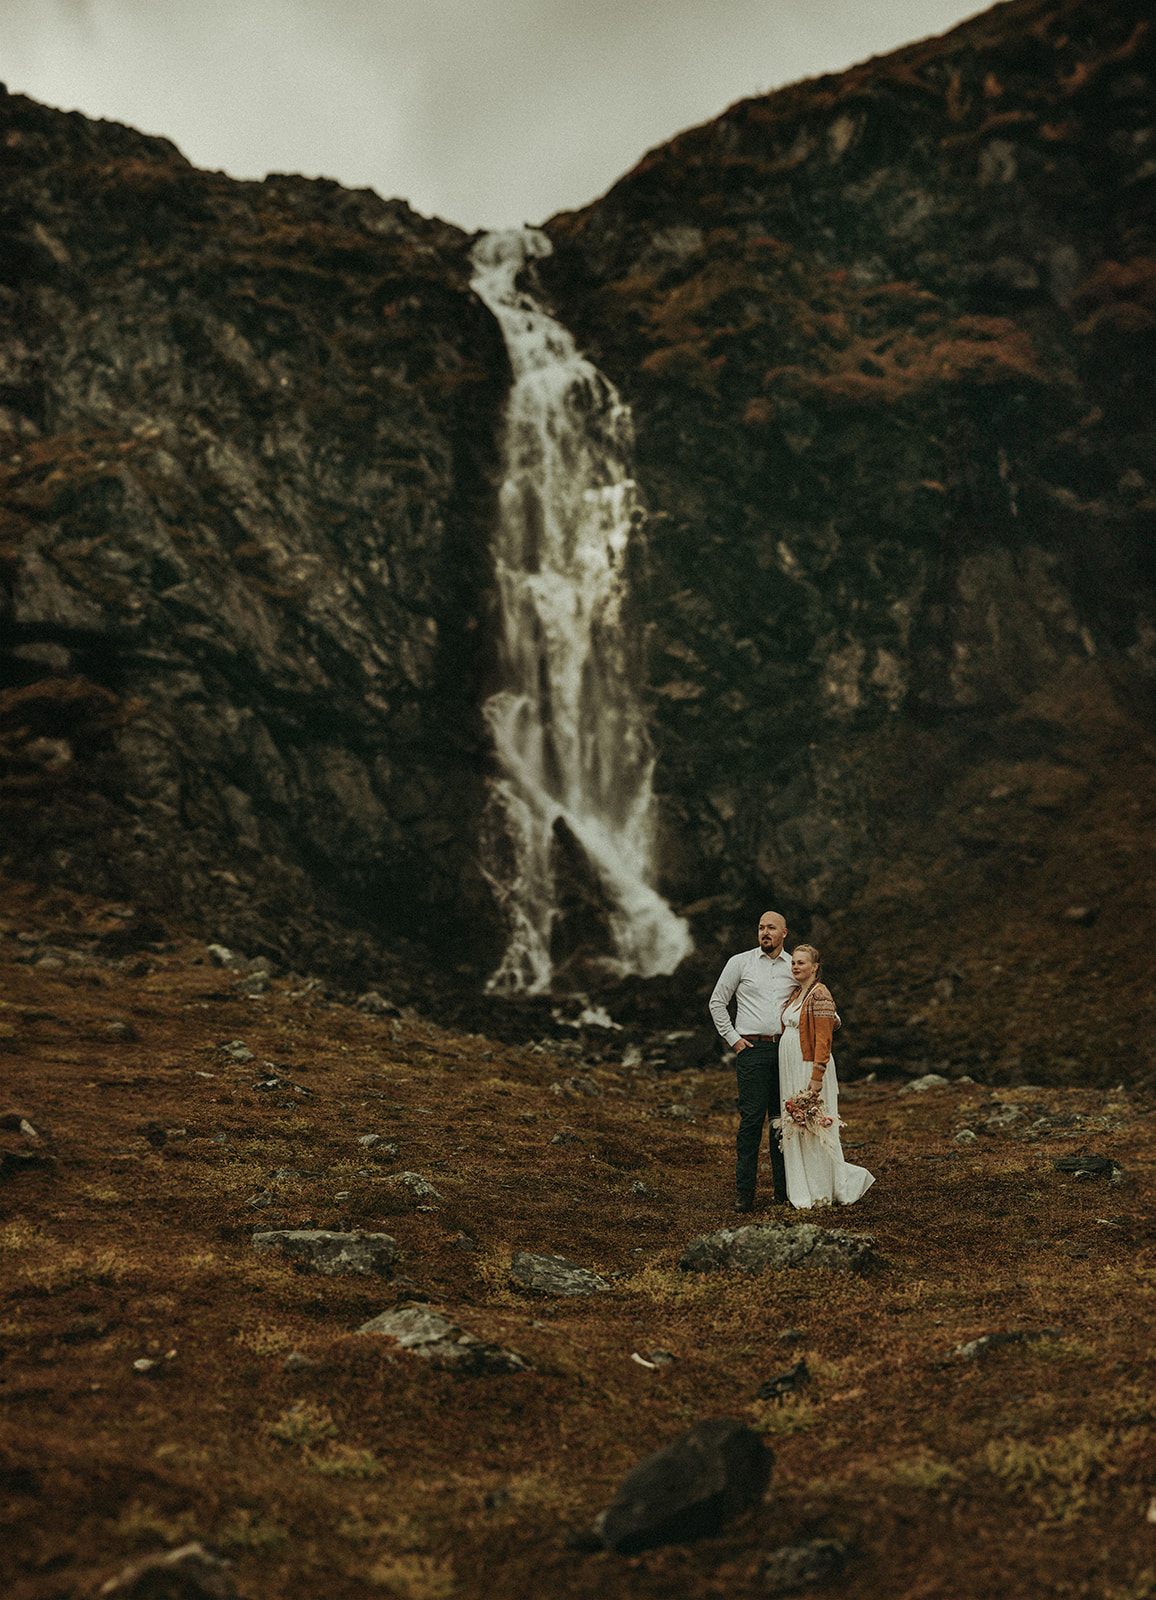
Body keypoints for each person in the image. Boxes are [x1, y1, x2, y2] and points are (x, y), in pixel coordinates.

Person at [708, 910, 796, 1211]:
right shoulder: (739, 962)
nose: (765, 932)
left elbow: (812, 996)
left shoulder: (794, 966)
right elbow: (717, 1002)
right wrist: (733, 1039)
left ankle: (783, 1192)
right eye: (760, 927)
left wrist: (830, 1020)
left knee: (782, 1123)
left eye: (771, 928)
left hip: (785, 1051)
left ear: (784, 933)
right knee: (751, 1123)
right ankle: (744, 1193)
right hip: (752, 1050)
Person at [776, 943, 874, 1208]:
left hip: (809, 1064)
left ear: (815, 967)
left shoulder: (820, 995)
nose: (796, 966)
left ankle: (821, 1190)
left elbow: (824, 1037)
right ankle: (802, 1187)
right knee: (796, 1124)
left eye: (802, 963)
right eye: (794, 962)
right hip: (790, 1065)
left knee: (814, 1125)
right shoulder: (796, 993)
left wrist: (817, 1074)